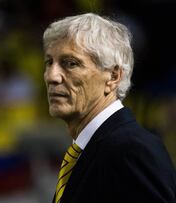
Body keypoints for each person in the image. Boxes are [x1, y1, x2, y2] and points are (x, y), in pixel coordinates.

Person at [42, 13, 176, 203]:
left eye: (71, 63)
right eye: (49, 63)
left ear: (113, 77)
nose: (51, 76)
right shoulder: (91, 148)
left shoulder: (131, 150)